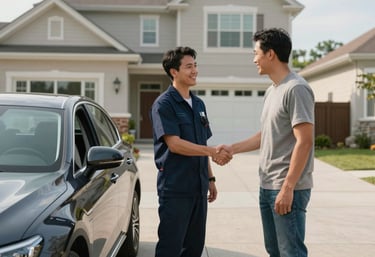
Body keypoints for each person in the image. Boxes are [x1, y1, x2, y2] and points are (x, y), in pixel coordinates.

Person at [220, 28, 315, 257]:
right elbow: (267, 135)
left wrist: (288, 187)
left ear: (270, 54)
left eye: (256, 53)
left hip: (286, 187)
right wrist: (233, 149)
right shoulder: (272, 91)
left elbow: (305, 141)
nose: (254, 59)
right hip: (267, 185)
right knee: (274, 250)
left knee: (290, 252)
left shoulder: (297, 88)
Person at [150, 46, 232, 257]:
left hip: (199, 189)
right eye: (189, 66)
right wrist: (212, 150)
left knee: (194, 248)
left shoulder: (199, 104)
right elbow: (175, 144)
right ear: (174, 72)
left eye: (195, 65)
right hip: (176, 189)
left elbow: (201, 143)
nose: (194, 70)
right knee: (170, 248)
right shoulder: (164, 104)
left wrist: (211, 179)